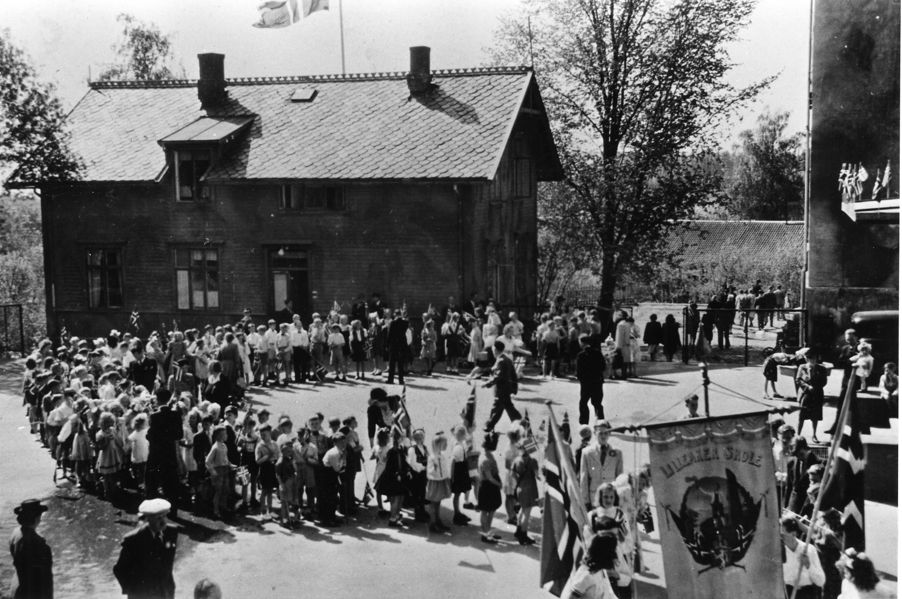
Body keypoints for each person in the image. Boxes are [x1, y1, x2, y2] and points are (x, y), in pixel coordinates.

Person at [113, 498, 179, 599]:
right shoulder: (133, 539)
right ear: (148, 519)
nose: (163, 521)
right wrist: (134, 591)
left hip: (165, 591)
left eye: (164, 516)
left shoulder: (172, 532)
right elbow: (120, 570)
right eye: (158, 518)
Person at [9, 499, 53, 599]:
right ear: (37, 518)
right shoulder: (39, 544)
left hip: (16, 588)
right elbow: (45, 581)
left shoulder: (16, 533)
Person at [579, 421, 624, 509]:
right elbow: (584, 478)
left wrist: (619, 499)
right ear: (595, 433)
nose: (603, 436)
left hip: (611, 499)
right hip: (594, 499)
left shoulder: (617, 453)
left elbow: (620, 478)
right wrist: (585, 501)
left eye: (606, 433)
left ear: (610, 434)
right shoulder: (587, 452)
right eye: (600, 433)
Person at [560, 534, 618, 599]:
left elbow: (608, 595)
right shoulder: (586, 575)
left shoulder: (601, 571)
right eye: (613, 552)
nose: (615, 555)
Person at [781, 515, 825, 599]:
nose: (779, 538)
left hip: (806, 595)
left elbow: (821, 581)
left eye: (782, 535)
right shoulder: (777, 551)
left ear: (794, 534)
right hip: (786, 594)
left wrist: (808, 565)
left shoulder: (809, 549)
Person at [483, 340, 522, 432]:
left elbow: (498, 375)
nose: (492, 351)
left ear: (496, 350)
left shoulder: (501, 360)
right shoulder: (506, 359)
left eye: (493, 349)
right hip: (507, 388)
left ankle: (489, 426)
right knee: (506, 407)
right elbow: (500, 371)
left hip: (502, 388)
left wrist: (487, 383)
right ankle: (520, 422)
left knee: (497, 407)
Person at [827, 329, 859, 436]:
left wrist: (849, 360)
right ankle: (836, 427)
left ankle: (855, 431)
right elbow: (839, 363)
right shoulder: (845, 348)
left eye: (850, 338)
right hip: (846, 380)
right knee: (841, 404)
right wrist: (849, 361)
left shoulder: (860, 348)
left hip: (857, 382)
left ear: (855, 337)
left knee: (855, 408)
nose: (848, 340)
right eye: (847, 338)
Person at [511, 440, 539, 545]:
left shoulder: (516, 460)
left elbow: (512, 475)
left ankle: (518, 531)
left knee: (522, 510)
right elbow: (537, 475)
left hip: (520, 487)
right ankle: (523, 535)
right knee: (527, 514)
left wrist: (519, 481)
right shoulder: (533, 461)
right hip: (530, 488)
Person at [796, 351, 828, 443]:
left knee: (815, 416)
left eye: (814, 358)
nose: (812, 360)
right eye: (810, 358)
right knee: (802, 416)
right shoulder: (802, 367)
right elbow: (798, 380)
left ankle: (814, 435)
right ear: (806, 359)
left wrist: (815, 386)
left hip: (817, 394)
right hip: (805, 394)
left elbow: (824, 381)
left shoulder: (822, 368)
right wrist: (807, 386)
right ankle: (798, 435)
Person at [477, 432, 503, 544]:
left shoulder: (487, 455)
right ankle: (485, 534)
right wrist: (499, 484)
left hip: (490, 486)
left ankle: (488, 531)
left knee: (491, 510)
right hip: (488, 486)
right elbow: (489, 477)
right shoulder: (486, 459)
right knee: (486, 511)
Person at [576, 335, 606, 425]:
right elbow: (603, 366)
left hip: (586, 382)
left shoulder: (581, 355)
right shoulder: (598, 353)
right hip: (597, 381)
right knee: (597, 403)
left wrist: (580, 379)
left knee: (583, 402)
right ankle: (601, 422)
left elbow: (579, 370)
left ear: (582, 343)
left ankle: (584, 423)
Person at [386, 310, 409, 385]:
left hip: (393, 344)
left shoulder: (392, 322)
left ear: (395, 314)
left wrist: (387, 344)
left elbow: (389, 335)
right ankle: (401, 380)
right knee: (400, 363)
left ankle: (390, 379)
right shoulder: (405, 322)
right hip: (402, 344)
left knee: (392, 363)